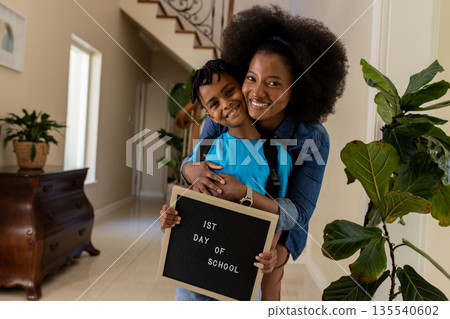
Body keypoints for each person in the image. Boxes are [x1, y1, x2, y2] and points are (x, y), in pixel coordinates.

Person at [179, 5, 348, 301]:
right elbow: (194, 163)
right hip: (214, 240)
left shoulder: (311, 137)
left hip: (261, 247)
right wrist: (190, 170)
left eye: (274, 83)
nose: (256, 93)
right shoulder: (226, 111)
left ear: (296, 90)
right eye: (251, 78)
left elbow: (299, 215)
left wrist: (278, 255)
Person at [160, 58, 292, 301]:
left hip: (241, 278)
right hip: (195, 279)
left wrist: (271, 250)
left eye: (229, 91)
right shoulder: (206, 148)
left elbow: (279, 213)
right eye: (214, 103)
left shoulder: (279, 157)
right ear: (210, 115)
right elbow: (190, 198)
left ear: (242, 87)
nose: (226, 103)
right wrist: (169, 216)